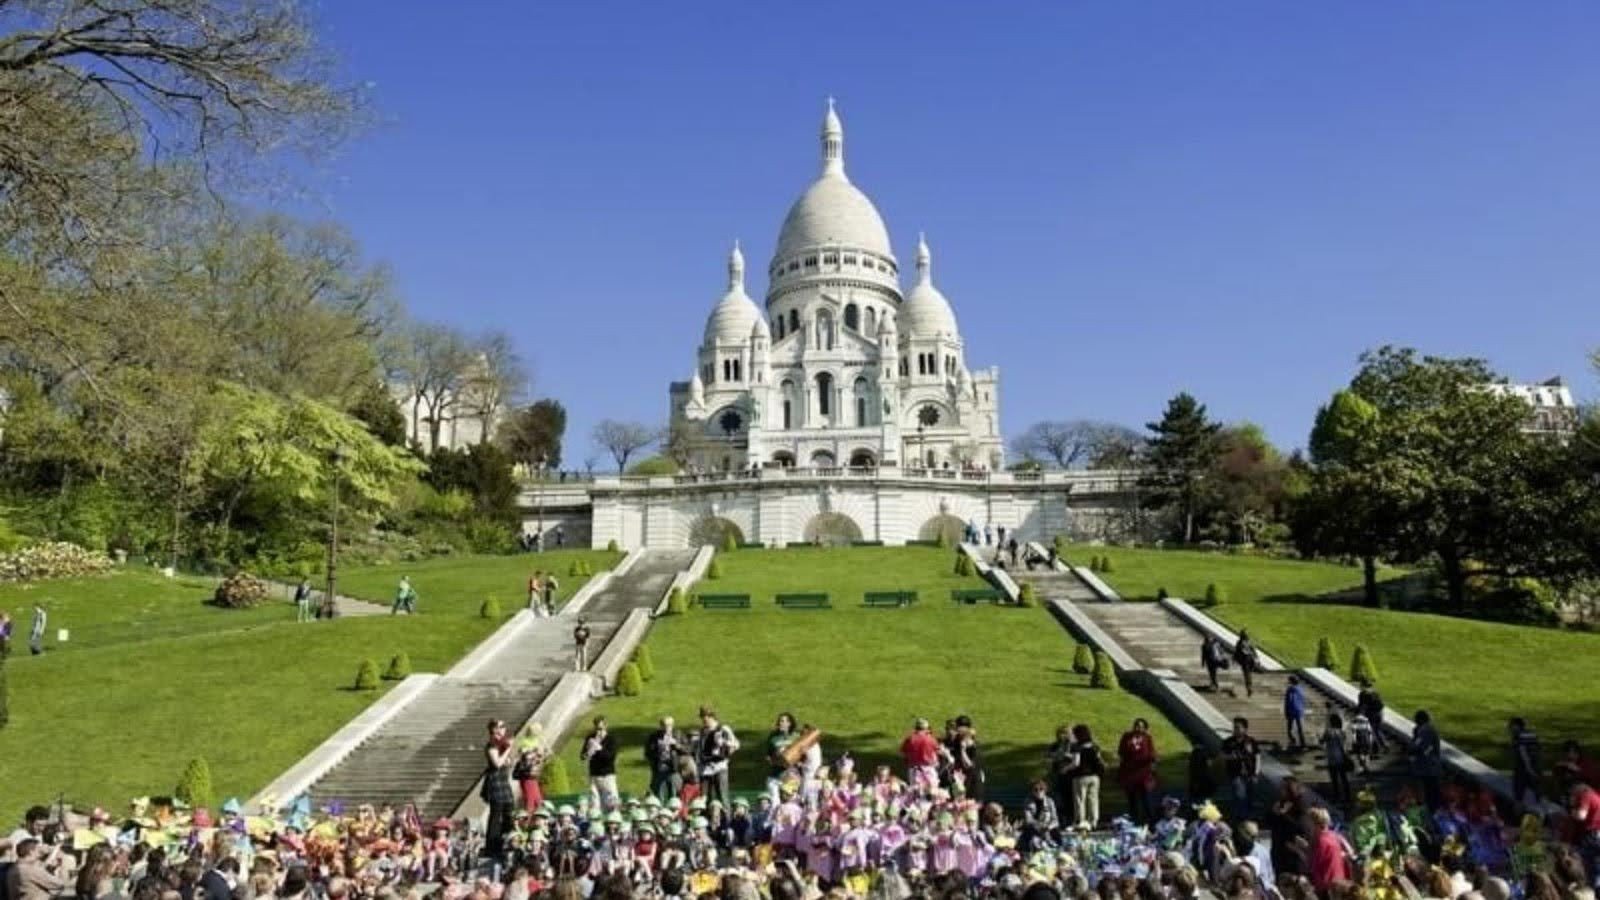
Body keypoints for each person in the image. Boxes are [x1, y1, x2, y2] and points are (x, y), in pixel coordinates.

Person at [480, 719, 516, 864]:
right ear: (494, 730)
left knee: (509, 812)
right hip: (495, 782)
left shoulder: (501, 745)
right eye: (500, 727)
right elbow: (497, 763)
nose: (503, 729)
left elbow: (507, 763)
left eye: (503, 726)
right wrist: (508, 748)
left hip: (503, 781)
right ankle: (491, 847)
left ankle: (507, 841)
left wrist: (510, 755)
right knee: (496, 815)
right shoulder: (492, 746)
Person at [695, 706, 739, 810]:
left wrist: (724, 743)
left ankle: (727, 821)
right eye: (702, 718)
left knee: (722, 796)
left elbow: (736, 744)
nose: (703, 721)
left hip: (719, 767)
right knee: (705, 798)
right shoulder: (702, 731)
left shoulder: (723, 729)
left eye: (705, 718)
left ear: (711, 717)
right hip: (705, 769)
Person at [1117, 717, 1158, 824]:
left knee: (1146, 799)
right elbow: (1121, 752)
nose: (1138, 728)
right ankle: (1135, 821)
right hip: (1130, 774)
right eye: (1137, 726)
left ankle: (1151, 823)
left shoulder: (1147, 738)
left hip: (1144, 774)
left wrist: (1150, 762)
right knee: (1132, 800)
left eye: (1141, 726)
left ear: (1145, 728)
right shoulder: (1127, 737)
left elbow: (1152, 754)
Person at [1221, 717, 1260, 818]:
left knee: (1250, 797)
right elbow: (1222, 755)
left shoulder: (1251, 741)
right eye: (1234, 727)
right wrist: (1231, 757)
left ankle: (1249, 817)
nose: (1235, 730)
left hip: (1250, 774)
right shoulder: (1228, 742)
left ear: (1245, 729)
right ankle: (1241, 818)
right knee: (1239, 796)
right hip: (1235, 774)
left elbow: (1257, 757)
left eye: (1238, 727)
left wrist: (1256, 773)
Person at [1067, 723, 1104, 830]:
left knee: (1080, 800)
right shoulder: (1095, 746)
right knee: (1093, 799)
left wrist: (1066, 769)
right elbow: (1099, 760)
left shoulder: (1077, 747)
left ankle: (1081, 821)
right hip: (1095, 777)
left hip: (1080, 777)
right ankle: (1094, 821)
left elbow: (1076, 763)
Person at [580, 715, 620, 811]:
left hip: (607, 776)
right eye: (596, 729)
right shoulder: (590, 738)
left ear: (605, 727)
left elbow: (611, 757)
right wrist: (589, 751)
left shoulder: (611, 740)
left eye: (600, 729)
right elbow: (582, 756)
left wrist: (599, 749)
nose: (598, 732)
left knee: (611, 803)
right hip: (594, 776)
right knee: (594, 803)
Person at [1307, 807, 1349, 892]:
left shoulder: (1320, 842)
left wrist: (1300, 850)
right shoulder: (1335, 836)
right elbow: (1350, 852)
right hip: (1341, 881)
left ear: (1315, 824)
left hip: (1328, 887)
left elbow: (1313, 866)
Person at [645, 716, 683, 803]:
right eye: (664, 725)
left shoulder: (678, 735)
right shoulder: (654, 737)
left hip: (674, 770)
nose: (666, 728)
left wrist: (677, 745)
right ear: (661, 726)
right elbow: (648, 753)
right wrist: (658, 751)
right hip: (659, 770)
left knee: (676, 796)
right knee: (659, 796)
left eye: (669, 725)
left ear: (672, 725)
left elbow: (688, 750)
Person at [1410, 709, 1443, 809]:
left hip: (1428, 767)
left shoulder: (1425, 730)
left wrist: (1412, 749)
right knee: (1432, 793)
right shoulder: (1426, 729)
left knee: (1430, 794)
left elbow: (1418, 747)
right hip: (1429, 767)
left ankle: (1432, 814)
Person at [765, 713, 799, 803]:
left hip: (791, 776)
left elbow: (802, 754)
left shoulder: (796, 737)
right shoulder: (773, 738)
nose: (781, 723)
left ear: (789, 723)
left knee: (790, 803)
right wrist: (773, 760)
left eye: (784, 721)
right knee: (775, 804)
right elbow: (768, 755)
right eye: (780, 721)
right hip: (775, 775)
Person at [1509, 717, 1542, 809]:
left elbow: (1524, 755)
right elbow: (1538, 750)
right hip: (1533, 767)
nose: (1510, 729)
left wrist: (1530, 770)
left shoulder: (1519, 738)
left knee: (1519, 795)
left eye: (1512, 727)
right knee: (1536, 793)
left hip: (1523, 770)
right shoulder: (1532, 735)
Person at [1321, 710, 1353, 804]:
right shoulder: (1342, 732)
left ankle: (1337, 797)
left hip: (1331, 758)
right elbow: (1344, 746)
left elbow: (1322, 741)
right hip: (1341, 758)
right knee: (1343, 779)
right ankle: (1347, 797)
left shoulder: (1328, 732)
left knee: (1334, 779)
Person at [902, 718, 942, 791]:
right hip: (928, 769)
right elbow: (938, 751)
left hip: (914, 769)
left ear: (916, 728)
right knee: (932, 792)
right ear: (926, 728)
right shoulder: (930, 739)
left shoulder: (909, 739)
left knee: (915, 792)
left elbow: (904, 753)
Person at [1357, 679, 1388, 753]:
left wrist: (1360, 715)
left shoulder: (1363, 694)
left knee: (1372, 732)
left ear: (1363, 686)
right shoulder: (1376, 693)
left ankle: (1376, 749)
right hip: (1379, 714)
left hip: (1371, 715)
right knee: (1378, 731)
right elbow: (1381, 705)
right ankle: (1385, 745)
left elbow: (1362, 706)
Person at [1283, 675, 1308, 751]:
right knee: (1300, 729)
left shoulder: (1290, 689)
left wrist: (1286, 711)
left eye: (1289, 680)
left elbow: (1289, 701)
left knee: (1290, 728)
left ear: (1291, 681)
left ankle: (1292, 741)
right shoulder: (1301, 689)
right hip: (1299, 711)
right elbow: (1303, 700)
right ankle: (1303, 744)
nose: (1288, 681)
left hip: (1292, 710)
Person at [1232, 630, 1259, 697]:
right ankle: (1249, 687)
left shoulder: (1239, 643)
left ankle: (1249, 687)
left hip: (1245, 660)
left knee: (1247, 674)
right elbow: (1253, 650)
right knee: (1249, 674)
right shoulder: (1249, 642)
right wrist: (1256, 658)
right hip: (1251, 659)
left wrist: (1234, 659)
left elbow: (1236, 652)